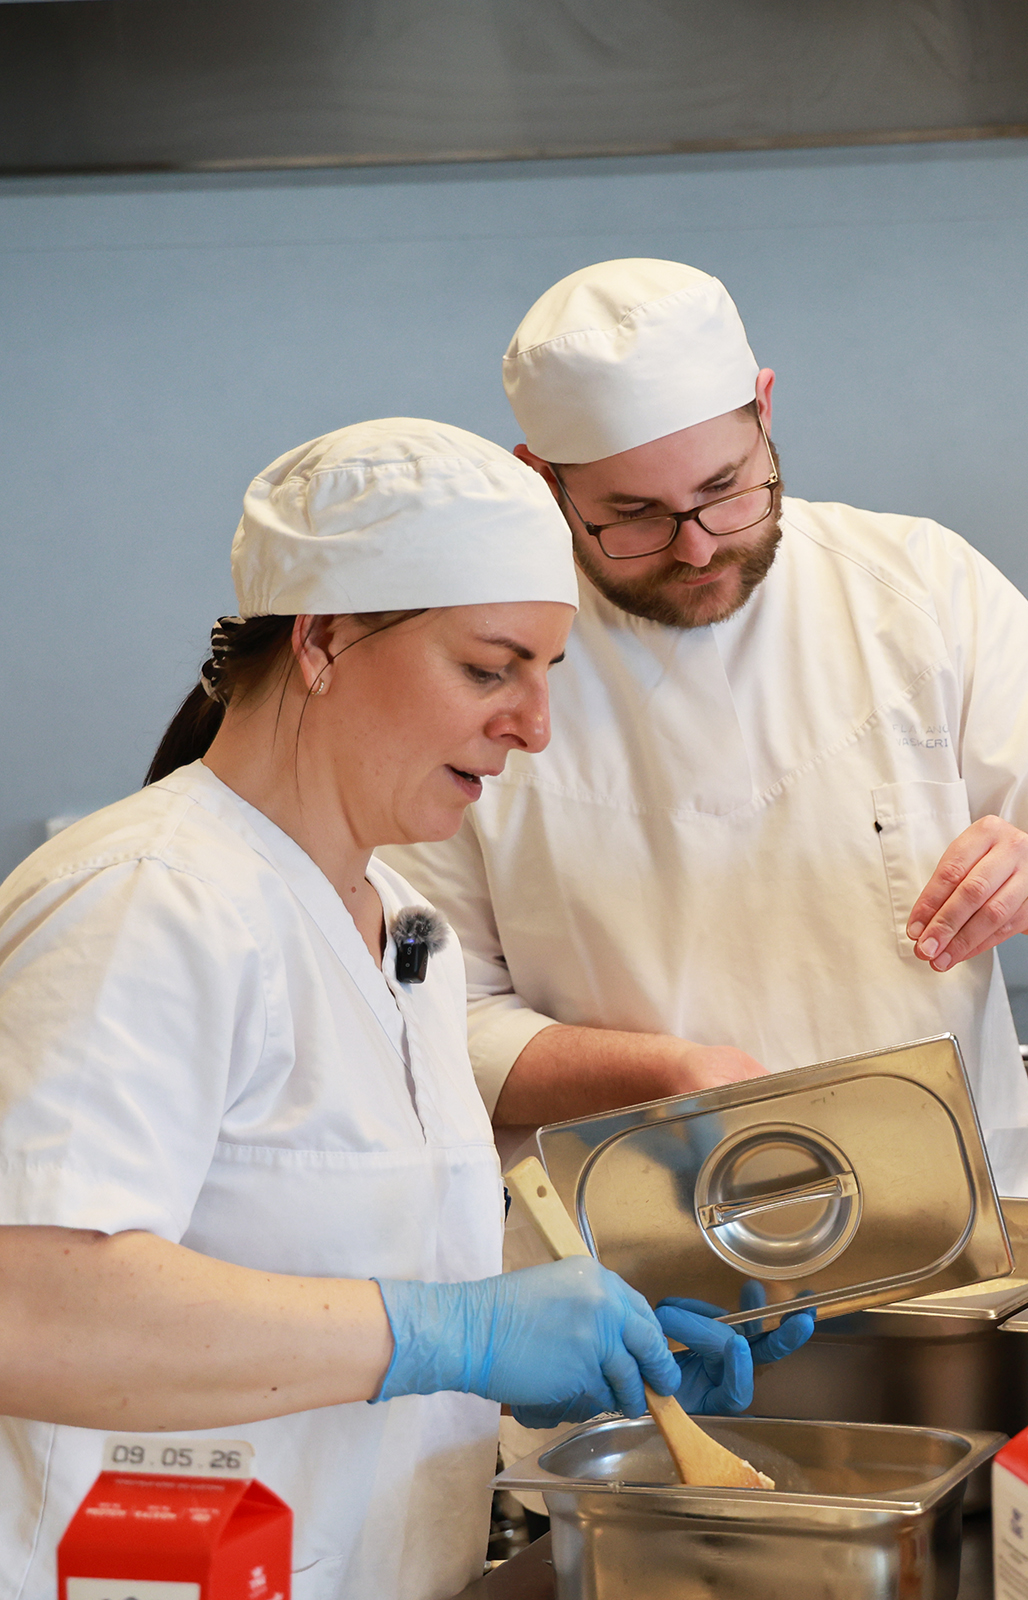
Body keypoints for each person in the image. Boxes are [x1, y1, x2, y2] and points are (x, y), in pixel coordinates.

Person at [0, 421, 799, 1600]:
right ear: (324, 638)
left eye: (547, 672)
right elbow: (34, 1312)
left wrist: (541, 1354)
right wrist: (452, 1333)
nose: (533, 725)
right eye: (490, 669)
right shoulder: (148, 898)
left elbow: (336, 1283)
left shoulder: (403, 928)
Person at [384, 260, 1028, 1199]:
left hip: (952, 1219)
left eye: (725, 488)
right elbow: (436, 1015)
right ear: (541, 479)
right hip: (628, 1243)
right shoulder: (485, 660)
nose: (698, 547)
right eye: (633, 516)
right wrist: (666, 1076)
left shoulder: (921, 589)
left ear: (765, 410)